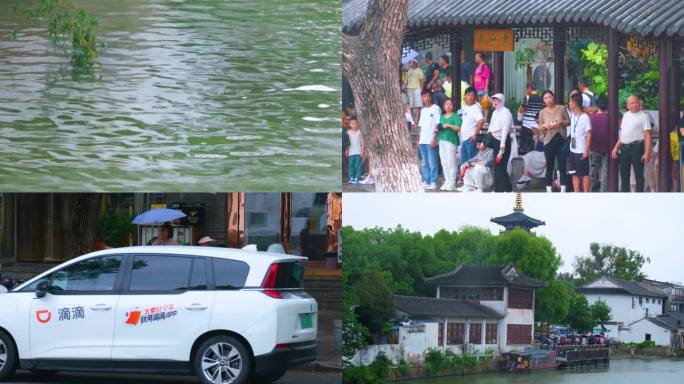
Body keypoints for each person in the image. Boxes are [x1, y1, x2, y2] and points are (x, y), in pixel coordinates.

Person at [611, 95, 652, 192]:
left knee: (638, 174)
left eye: (636, 102)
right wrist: (616, 147)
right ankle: (624, 196)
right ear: (627, 105)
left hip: (637, 147)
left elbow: (647, 135)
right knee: (624, 174)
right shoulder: (625, 115)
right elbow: (623, 133)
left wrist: (647, 153)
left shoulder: (644, 116)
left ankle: (639, 196)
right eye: (632, 103)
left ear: (639, 103)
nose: (634, 105)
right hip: (624, 148)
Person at [485, 93, 513, 192]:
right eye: (494, 100)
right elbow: (491, 126)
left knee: (501, 165)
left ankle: (506, 188)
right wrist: (486, 140)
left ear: (501, 101)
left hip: (504, 141)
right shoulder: (494, 112)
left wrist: (502, 144)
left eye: (497, 100)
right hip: (495, 139)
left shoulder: (506, 112)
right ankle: (499, 188)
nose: (494, 102)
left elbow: (505, 129)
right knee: (497, 166)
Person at [413, 91, 441, 189]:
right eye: (424, 96)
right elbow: (420, 127)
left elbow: (438, 125)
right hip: (422, 140)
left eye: (427, 96)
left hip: (431, 140)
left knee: (432, 162)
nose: (426, 98)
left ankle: (433, 181)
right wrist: (418, 139)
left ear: (431, 97)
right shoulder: (423, 110)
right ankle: (426, 181)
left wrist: (435, 138)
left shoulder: (436, 108)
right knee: (424, 162)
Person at [567, 93, 592, 192]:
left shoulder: (585, 117)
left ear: (575, 103)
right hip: (572, 148)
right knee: (574, 173)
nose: (569, 104)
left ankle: (586, 193)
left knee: (584, 173)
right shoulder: (573, 115)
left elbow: (589, 134)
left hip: (582, 150)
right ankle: (576, 193)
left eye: (570, 101)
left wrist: (587, 149)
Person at [437, 99, 461, 191]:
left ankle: (452, 182)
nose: (448, 106)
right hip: (441, 140)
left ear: (453, 106)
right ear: (444, 106)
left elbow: (458, 128)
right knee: (444, 162)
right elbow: (439, 127)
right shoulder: (442, 117)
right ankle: (447, 180)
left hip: (451, 141)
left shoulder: (456, 117)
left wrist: (449, 125)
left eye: (450, 104)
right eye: (446, 104)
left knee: (451, 162)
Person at [589, 96, 610, 192]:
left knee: (593, 168)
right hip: (607, 147)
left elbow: (589, 133)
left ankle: (593, 187)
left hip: (594, 146)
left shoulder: (591, 118)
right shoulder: (610, 117)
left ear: (596, 105)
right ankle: (603, 190)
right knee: (605, 169)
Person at [460, 87, 485, 164]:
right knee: (464, 164)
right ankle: (465, 176)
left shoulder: (476, 108)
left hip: (470, 140)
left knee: (471, 164)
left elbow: (481, 120)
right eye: (468, 95)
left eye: (472, 95)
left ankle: (472, 176)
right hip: (464, 140)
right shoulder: (467, 107)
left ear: (475, 97)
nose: (470, 97)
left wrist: (475, 134)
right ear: (465, 96)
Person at [518, 82, 544, 155]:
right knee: (533, 148)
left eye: (527, 89)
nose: (526, 90)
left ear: (529, 88)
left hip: (526, 126)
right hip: (536, 126)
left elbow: (521, 110)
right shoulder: (541, 99)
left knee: (524, 148)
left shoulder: (527, 97)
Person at [346, 117, 364, 184]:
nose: (354, 125)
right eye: (353, 123)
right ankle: (351, 177)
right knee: (351, 165)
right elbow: (347, 143)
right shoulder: (348, 133)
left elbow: (362, 142)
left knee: (358, 165)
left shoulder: (359, 132)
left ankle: (357, 177)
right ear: (349, 124)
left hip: (358, 151)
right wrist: (347, 150)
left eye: (356, 123)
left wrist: (362, 151)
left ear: (358, 124)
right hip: (351, 152)